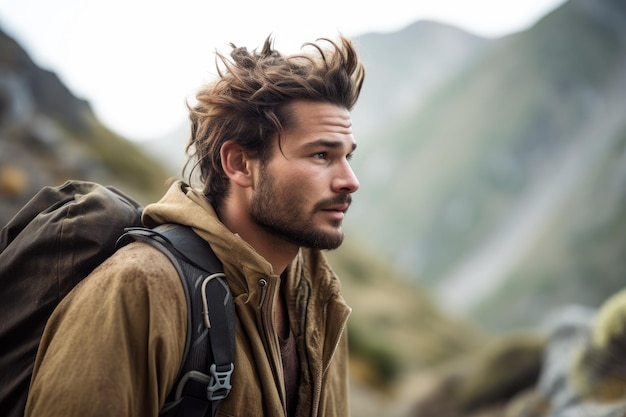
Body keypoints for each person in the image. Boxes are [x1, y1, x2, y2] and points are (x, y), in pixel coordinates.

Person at [24, 34, 365, 417]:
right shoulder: (138, 289)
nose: (349, 180)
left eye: (346, 156)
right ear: (238, 163)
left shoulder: (316, 298)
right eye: (321, 154)